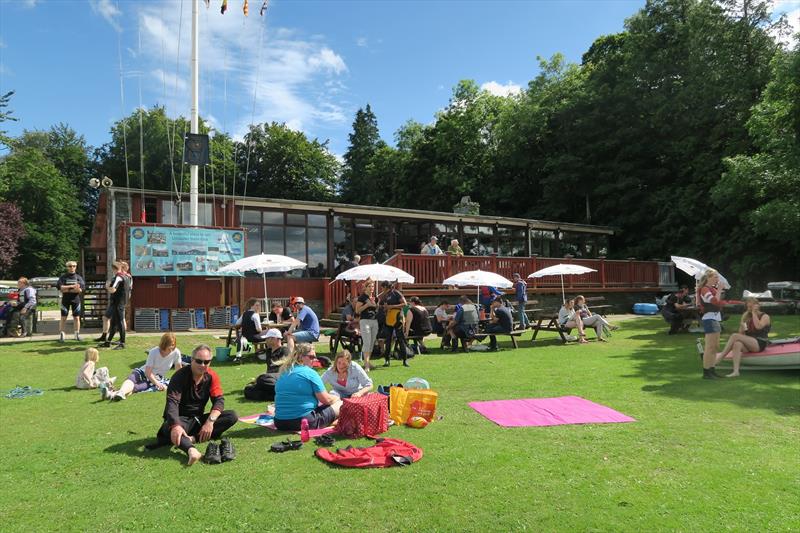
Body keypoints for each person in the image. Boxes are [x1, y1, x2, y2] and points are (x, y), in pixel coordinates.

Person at [151, 344, 238, 466]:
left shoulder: (212, 376)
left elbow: (219, 400)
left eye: (206, 362)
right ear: (191, 360)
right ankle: (191, 450)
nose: (203, 365)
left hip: (197, 420)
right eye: (199, 361)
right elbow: (172, 404)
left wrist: (210, 422)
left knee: (232, 416)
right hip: (179, 419)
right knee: (171, 427)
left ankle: (192, 439)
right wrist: (176, 426)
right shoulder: (179, 377)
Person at [273, 343, 342, 431]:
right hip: (303, 422)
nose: (315, 360)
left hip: (280, 423)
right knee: (341, 404)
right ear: (301, 357)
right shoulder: (310, 373)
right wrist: (337, 398)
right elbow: (326, 400)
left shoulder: (284, 372)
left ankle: (330, 421)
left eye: (315, 357)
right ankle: (332, 422)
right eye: (311, 357)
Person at [110, 332, 183, 401]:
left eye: (173, 345)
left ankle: (113, 394)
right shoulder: (154, 352)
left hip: (156, 377)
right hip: (143, 372)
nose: (172, 347)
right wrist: (157, 384)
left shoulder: (176, 352)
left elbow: (179, 371)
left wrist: (181, 383)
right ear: (164, 344)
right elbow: (148, 372)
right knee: (132, 379)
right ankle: (121, 392)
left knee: (136, 388)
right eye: (170, 345)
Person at [714, 297, 771, 378]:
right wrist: (742, 326)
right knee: (737, 344)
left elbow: (758, 327)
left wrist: (754, 313)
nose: (750, 309)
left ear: (757, 306)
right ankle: (736, 371)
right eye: (748, 307)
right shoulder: (746, 316)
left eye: (751, 307)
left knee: (734, 336)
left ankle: (720, 358)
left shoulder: (765, 316)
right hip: (749, 343)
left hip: (760, 342)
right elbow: (741, 334)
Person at [243, 328, 287, 401]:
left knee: (262, 379)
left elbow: (285, 369)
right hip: (269, 380)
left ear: (274, 339)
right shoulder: (268, 351)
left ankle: (282, 392)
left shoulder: (285, 350)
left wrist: (265, 376)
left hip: (280, 378)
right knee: (248, 389)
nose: (265, 341)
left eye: (267, 339)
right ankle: (274, 397)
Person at [697, 269, 725, 379]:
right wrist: (719, 290)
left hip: (715, 318)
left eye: (717, 277)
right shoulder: (704, 289)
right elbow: (715, 301)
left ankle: (712, 370)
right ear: (708, 278)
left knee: (715, 346)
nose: (717, 279)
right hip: (709, 318)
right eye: (715, 277)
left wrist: (718, 290)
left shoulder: (712, 289)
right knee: (710, 347)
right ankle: (707, 372)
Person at [382, 280, 410, 367]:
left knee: (400, 338)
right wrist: (385, 308)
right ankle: (387, 360)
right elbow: (384, 306)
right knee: (388, 339)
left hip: (398, 317)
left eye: (383, 287)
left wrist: (391, 306)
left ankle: (405, 360)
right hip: (389, 318)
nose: (382, 289)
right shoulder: (385, 296)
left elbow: (404, 304)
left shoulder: (396, 293)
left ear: (386, 287)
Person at [100, 262, 127, 349]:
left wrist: (107, 286)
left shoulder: (118, 277)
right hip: (120, 302)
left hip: (118, 303)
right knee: (114, 323)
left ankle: (122, 343)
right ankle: (108, 342)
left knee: (120, 322)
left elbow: (113, 290)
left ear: (114, 269)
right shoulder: (126, 276)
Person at [57, 260, 85, 342]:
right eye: (70, 266)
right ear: (67, 267)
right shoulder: (63, 277)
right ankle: (62, 335)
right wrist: (73, 286)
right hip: (65, 300)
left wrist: (66, 288)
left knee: (76, 318)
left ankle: (76, 335)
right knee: (63, 317)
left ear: (76, 267)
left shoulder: (79, 277)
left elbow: (80, 290)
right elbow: (60, 288)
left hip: (76, 300)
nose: (72, 268)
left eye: (74, 266)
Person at [354, 278, 379, 371]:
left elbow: (376, 309)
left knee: (372, 343)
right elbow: (357, 310)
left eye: (372, 286)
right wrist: (367, 305)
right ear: (365, 288)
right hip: (365, 321)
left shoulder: (375, 297)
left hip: (374, 321)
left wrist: (375, 304)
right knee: (367, 342)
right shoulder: (362, 297)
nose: (371, 288)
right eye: (369, 286)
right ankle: (366, 365)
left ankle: (368, 362)